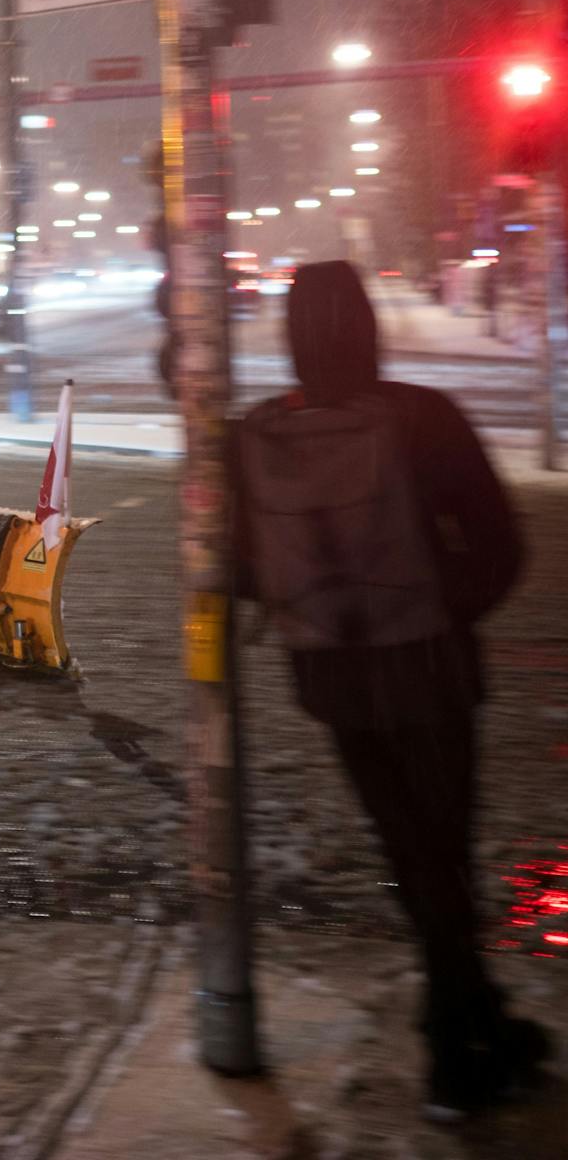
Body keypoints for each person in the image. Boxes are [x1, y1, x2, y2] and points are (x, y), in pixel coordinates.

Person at [235, 260, 550, 1120]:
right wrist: (444, 608)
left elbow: (238, 567)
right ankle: (456, 1054)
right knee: (440, 851)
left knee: (413, 852)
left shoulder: (255, 432)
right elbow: (500, 544)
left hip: (334, 678)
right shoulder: (423, 417)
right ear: (370, 326)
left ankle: (479, 1024)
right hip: (430, 670)